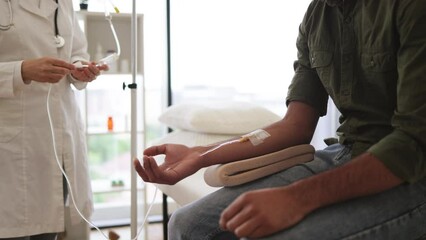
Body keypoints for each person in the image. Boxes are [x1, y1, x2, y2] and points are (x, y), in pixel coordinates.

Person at [134, 0, 426, 239]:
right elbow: (295, 126)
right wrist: (200, 155)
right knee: (186, 225)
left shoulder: (410, 9)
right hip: (346, 152)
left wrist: (297, 198)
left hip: (412, 172)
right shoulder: (316, 17)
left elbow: (412, 145)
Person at [0, 0, 107, 239]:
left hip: (55, 141)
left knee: (47, 229)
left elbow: (77, 51)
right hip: (9, 145)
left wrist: (80, 69)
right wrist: (21, 70)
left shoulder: (62, 2)